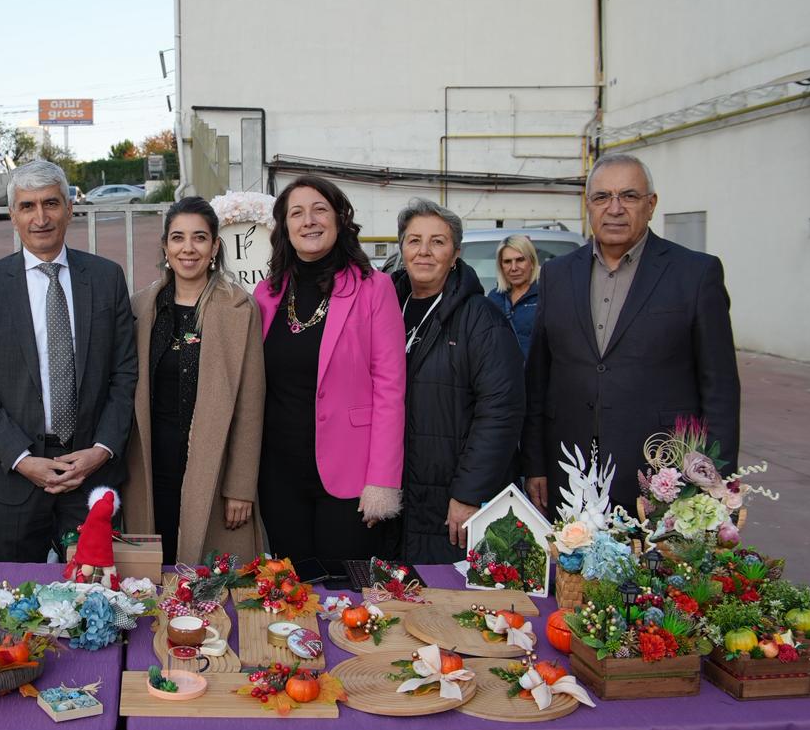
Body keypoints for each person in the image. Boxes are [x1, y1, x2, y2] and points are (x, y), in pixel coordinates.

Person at [524, 154, 741, 513]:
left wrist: (714, 480)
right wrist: (534, 463)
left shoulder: (695, 274)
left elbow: (720, 388)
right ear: (588, 205)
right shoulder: (557, 275)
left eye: (628, 196)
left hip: (662, 474)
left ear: (651, 204)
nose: (614, 208)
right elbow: (538, 378)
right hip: (572, 470)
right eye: (602, 197)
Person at [0, 160, 137, 562]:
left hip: (91, 474)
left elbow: (124, 375)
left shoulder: (107, 279)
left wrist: (101, 450)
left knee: (97, 594)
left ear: (70, 208)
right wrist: (22, 459)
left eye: (51, 203)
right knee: (15, 601)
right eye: (27, 206)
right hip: (18, 479)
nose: (40, 218)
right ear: (12, 215)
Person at [252, 176, 405, 561]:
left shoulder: (375, 288)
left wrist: (382, 481)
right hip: (279, 476)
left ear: (339, 219)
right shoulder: (266, 295)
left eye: (320, 210)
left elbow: (391, 389)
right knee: (292, 595)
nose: (309, 221)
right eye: (297, 213)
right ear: (285, 227)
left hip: (349, 477)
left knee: (345, 598)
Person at [121, 197, 264, 565]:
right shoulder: (140, 308)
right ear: (165, 246)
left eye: (199, 238)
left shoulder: (239, 309)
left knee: (207, 582)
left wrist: (240, 487)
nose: (188, 248)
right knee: (151, 575)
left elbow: (251, 405)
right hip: (150, 470)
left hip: (212, 472)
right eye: (178, 237)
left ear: (215, 246)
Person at [391, 199, 526, 563]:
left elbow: (500, 411)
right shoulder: (387, 307)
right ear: (401, 248)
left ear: (455, 254)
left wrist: (469, 493)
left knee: (445, 602)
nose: (424, 251)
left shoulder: (481, 319)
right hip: (394, 495)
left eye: (437, 242)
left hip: (451, 497)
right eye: (414, 240)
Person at [486, 234, 540, 359]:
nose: (514, 268)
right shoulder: (494, 298)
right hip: (503, 375)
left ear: (532, 262)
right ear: (501, 266)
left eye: (520, 260)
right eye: (507, 262)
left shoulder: (547, 295)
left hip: (536, 375)